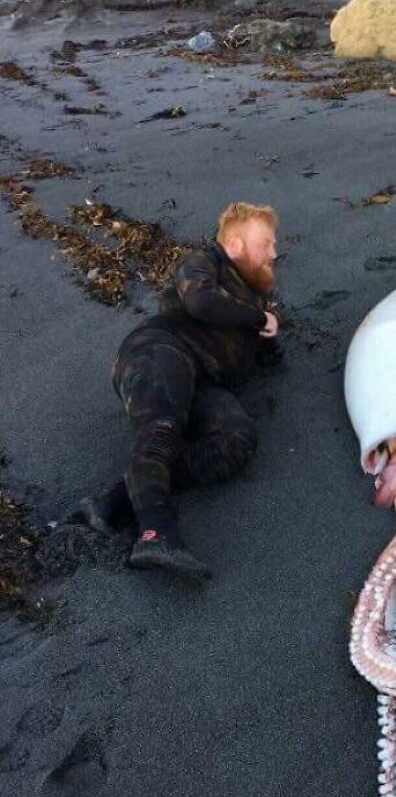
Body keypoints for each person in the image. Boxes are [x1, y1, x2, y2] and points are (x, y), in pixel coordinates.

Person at [77, 201, 284, 580]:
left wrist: (269, 335)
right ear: (235, 245)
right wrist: (258, 318)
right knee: (163, 428)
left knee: (237, 438)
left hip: (205, 380)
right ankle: (157, 532)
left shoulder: (253, 298)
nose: (274, 252)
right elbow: (200, 301)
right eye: (266, 243)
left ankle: (113, 503)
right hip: (160, 351)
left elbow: (265, 357)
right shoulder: (204, 263)